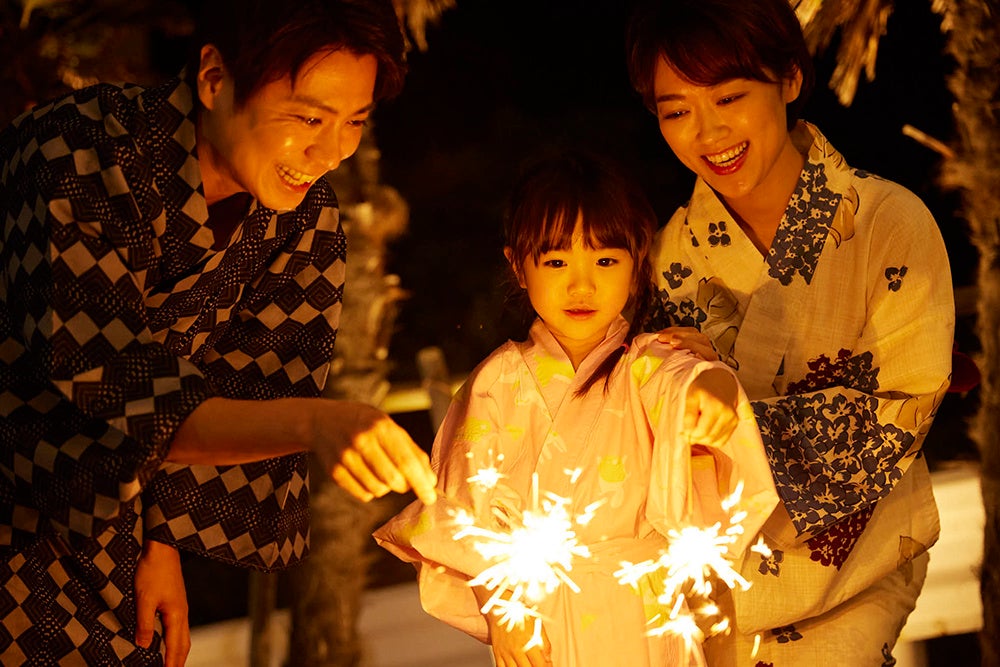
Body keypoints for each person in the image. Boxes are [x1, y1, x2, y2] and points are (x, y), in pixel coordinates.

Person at [0, 1, 438, 664]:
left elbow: (248, 391)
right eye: (308, 118)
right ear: (214, 78)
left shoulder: (303, 218)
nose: (329, 153)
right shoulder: (77, 152)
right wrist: (319, 422)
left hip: (112, 528)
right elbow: (107, 374)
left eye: (354, 122)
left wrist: (161, 540)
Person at [624, 1, 955, 664]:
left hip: (855, 572)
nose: (707, 131)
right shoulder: (666, 259)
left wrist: (733, 418)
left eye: (729, 97)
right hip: (713, 588)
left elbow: (904, 406)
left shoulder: (888, 222)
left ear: (790, 79)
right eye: (676, 111)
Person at [374, 150, 779, 667]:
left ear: (637, 267)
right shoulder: (496, 382)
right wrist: (502, 609)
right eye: (557, 262)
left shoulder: (649, 363)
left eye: (606, 261)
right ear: (518, 267)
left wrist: (714, 388)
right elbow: (462, 507)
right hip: (536, 616)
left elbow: (685, 382)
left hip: (646, 612)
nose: (581, 285)